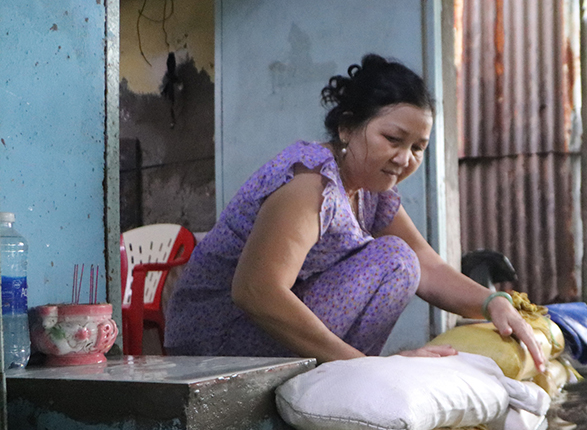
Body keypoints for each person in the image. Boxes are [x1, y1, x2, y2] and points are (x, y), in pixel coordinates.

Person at [164, 53, 544, 367]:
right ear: (347, 127)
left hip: (258, 335)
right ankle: (347, 376)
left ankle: (345, 376)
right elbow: (256, 291)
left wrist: (493, 303)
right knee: (394, 258)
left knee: (402, 260)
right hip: (214, 345)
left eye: (417, 148)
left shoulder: (370, 189)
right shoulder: (311, 183)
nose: (405, 158)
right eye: (393, 139)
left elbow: (427, 265)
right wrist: (368, 367)